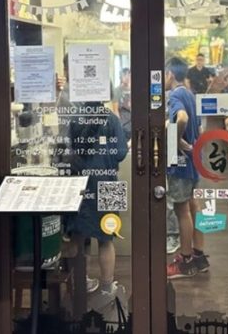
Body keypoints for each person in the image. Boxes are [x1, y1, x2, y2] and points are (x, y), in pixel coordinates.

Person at [64, 101, 129, 310]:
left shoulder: (74, 117)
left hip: (79, 182)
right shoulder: (112, 118)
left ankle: (79, 281)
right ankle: (107, 287)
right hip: (109, 180)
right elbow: (120, 153)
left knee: (77, 235)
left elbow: (69, 149)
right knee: (106, 238)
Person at [165, 56, 209, 278]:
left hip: (181, 162)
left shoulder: (175, 95)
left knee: (182, 210)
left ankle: (185, 260)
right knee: (194, 206)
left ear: (170, 74)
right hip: (193, 160)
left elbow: (181, 118)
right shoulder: (190, 94)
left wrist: (175, 141)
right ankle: (199, 255)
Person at [113, 67, 131, 137]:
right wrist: (120, 125)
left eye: (128, 75)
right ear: (120, 77)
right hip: (124, 124)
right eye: (124, 75)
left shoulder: (135, 89)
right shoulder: (117, 90)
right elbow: (115, 110)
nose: (127, 77)